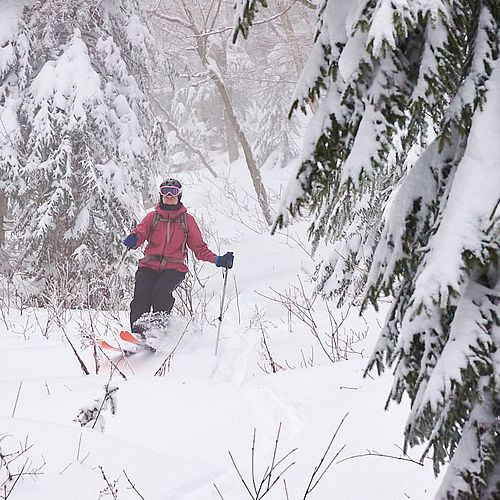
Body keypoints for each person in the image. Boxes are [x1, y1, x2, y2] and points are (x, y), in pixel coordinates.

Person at [123, 178, 234, 334]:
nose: (169, 196)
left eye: (173, 192)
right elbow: (140, 232)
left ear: (179, 196)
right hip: (149, 265)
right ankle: (138, 333)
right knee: (142, 294)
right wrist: (134, 239)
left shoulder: (187, 221)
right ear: (160, 195)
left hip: (174, 267)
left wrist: (218, 260)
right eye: (165, 192)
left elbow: (199, 248)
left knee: (161, 292)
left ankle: (157, 332)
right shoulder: (152, 217)